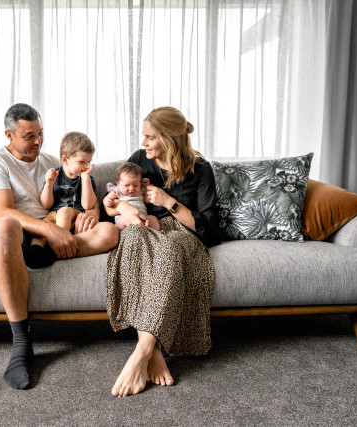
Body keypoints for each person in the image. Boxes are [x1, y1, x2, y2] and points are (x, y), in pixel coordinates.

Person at [0, 103, 119, 390]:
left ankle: (12, 258)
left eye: (41, 133)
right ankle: (22, 341)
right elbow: (3, 211)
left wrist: (91, 214)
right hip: (7, 232)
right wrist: (50, 229)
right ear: (9, 135)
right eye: (29, 136)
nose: (38, 141)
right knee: (7, 227)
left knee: (109, 233)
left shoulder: (52, 161)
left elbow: (82, 198)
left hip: (46, 236)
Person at [103, 106, 221, 397]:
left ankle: (142, 351)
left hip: (181, 233)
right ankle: (154, 350)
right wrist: (122, 206)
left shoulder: (200, 169)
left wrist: (169, 201)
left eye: (150, 137)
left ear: (169, 139)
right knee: (133, 239)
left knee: (168, 250)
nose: (143, 142)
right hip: (142, 227)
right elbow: (113, 201)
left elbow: (209, 231)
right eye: (144, 136)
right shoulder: (139, 159)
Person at [39, 131, 97, 233]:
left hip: (77, 215)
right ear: (65, 160)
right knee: (41, 228)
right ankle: (43, 244)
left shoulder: (87, 178)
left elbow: (88, 205)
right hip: (54, 215)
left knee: (64, 211)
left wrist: (86, 178)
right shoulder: (55, 175)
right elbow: (46, 205)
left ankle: (62, 239)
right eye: (82, 162)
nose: (87, 166)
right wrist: (49, 184)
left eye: (89, 162)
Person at [103, 162, 161, 232]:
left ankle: (156, 233)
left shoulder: (140, 191)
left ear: (140, 183)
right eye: (127, 185)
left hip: (142, 218)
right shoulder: (117, 191)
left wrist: (146, 186)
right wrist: (108, 201)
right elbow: (106, 199)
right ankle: (142, 230)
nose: (131, 189)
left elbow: (147, 200)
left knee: (153, 218)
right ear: (118, 183)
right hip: (124, 219)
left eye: (135, 185)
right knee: (121, 221)